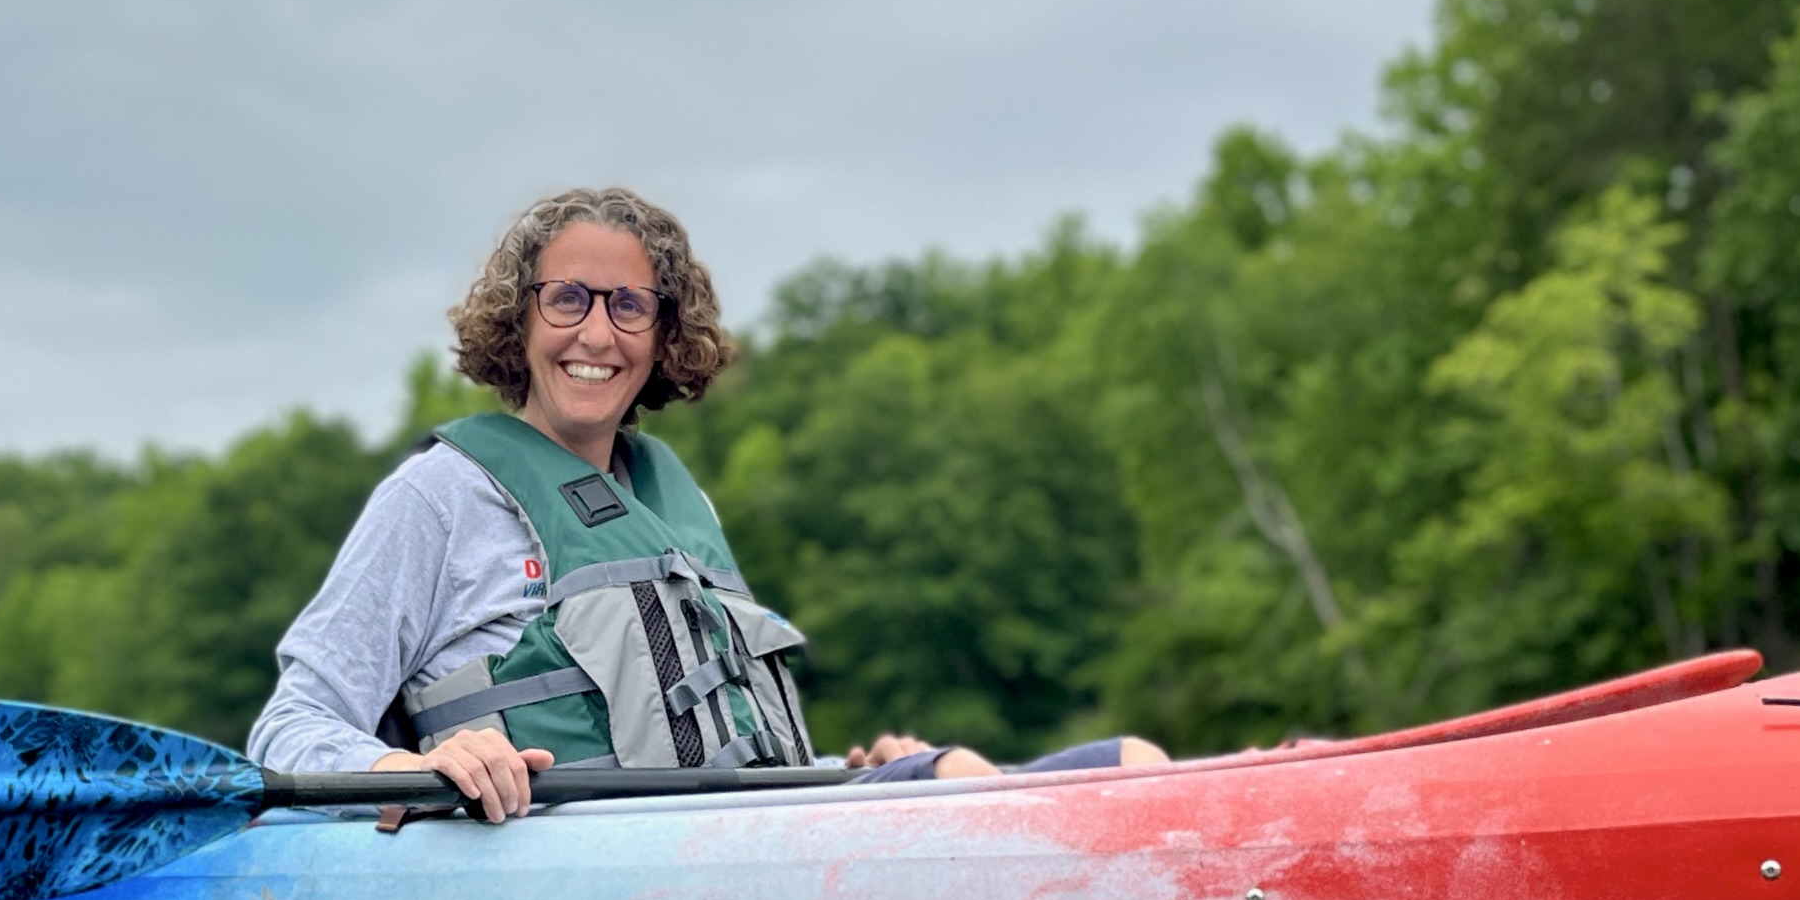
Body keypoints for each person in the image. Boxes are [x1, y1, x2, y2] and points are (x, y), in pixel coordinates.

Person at [248, 184, 1166, 816]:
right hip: (580, 857)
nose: (595, 334)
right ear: (520, 319)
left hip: (757, 830)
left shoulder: (673, 501)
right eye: (566, 299)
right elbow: (286, 729)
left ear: (662, 333)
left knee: (1131, 763)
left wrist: (837, 770)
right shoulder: (439, 497)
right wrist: (410, 766)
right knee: (966, 778)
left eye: (629, 307)